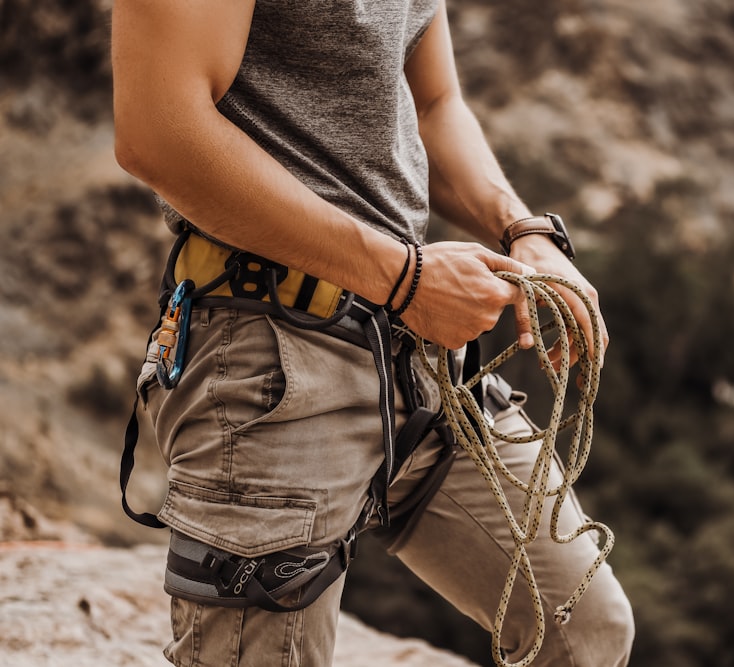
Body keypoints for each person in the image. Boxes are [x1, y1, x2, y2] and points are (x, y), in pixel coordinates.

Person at [111, 0, 634, 665]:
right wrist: (405, 279)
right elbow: (159, 131)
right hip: (267, 356)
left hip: (411, 351)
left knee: (583, 629)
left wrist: (522, 230)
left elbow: (434, 103)